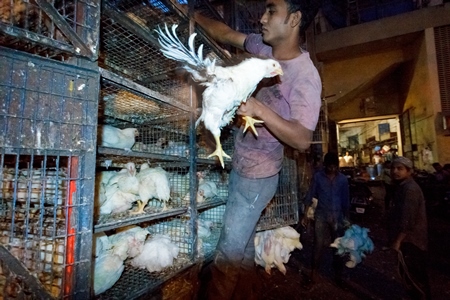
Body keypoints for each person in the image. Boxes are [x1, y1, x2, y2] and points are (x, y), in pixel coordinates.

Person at [183, 1, 322, 299]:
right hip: (241, 164)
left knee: (227, 256)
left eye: (271, 11)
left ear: (295, 19)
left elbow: (302, 139)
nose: (262, 18)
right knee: (243, 253)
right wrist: (194, 16)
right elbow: (228, 34)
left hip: (259, 177)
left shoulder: (305, 76)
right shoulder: (263, 48)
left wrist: (258, 108)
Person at [301, 152, 350, 287]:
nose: (332, 169)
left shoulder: (343, 180)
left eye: (335, 166)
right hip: (321, 215)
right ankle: (313, 274)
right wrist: (305, 214)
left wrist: (347, 219)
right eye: (330, 166)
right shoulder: (318, 177)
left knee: (338, 246)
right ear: (325, 165)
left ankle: (338, 276)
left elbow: (346, 200)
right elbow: (310, 195)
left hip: (338, 216)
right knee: (318, 245)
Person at [387, 156, 431, 300]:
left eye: (400, 169)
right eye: (393, 168)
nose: (395, 171)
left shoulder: (410, 189)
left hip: (411, 242)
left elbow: (408, 219)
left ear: (409, 171)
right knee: (411, 277)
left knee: (414, 279)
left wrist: (398, 241)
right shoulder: (403, 187)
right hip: (410, 241)